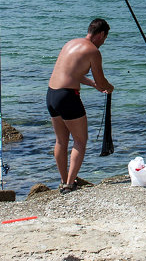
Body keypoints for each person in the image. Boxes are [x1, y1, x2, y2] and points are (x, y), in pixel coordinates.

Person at [47, 18, 113, 192]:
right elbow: (102, 80)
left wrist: (92, 84)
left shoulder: (70, 44)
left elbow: (71, 73)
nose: (103, 43)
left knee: (61, 141)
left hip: (52, 94)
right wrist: (108, 87)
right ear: (101, 34)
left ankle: (63, 181)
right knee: (80, 141)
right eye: (104, 39)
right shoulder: (93, 51)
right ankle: (70, 184)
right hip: (68, 97)